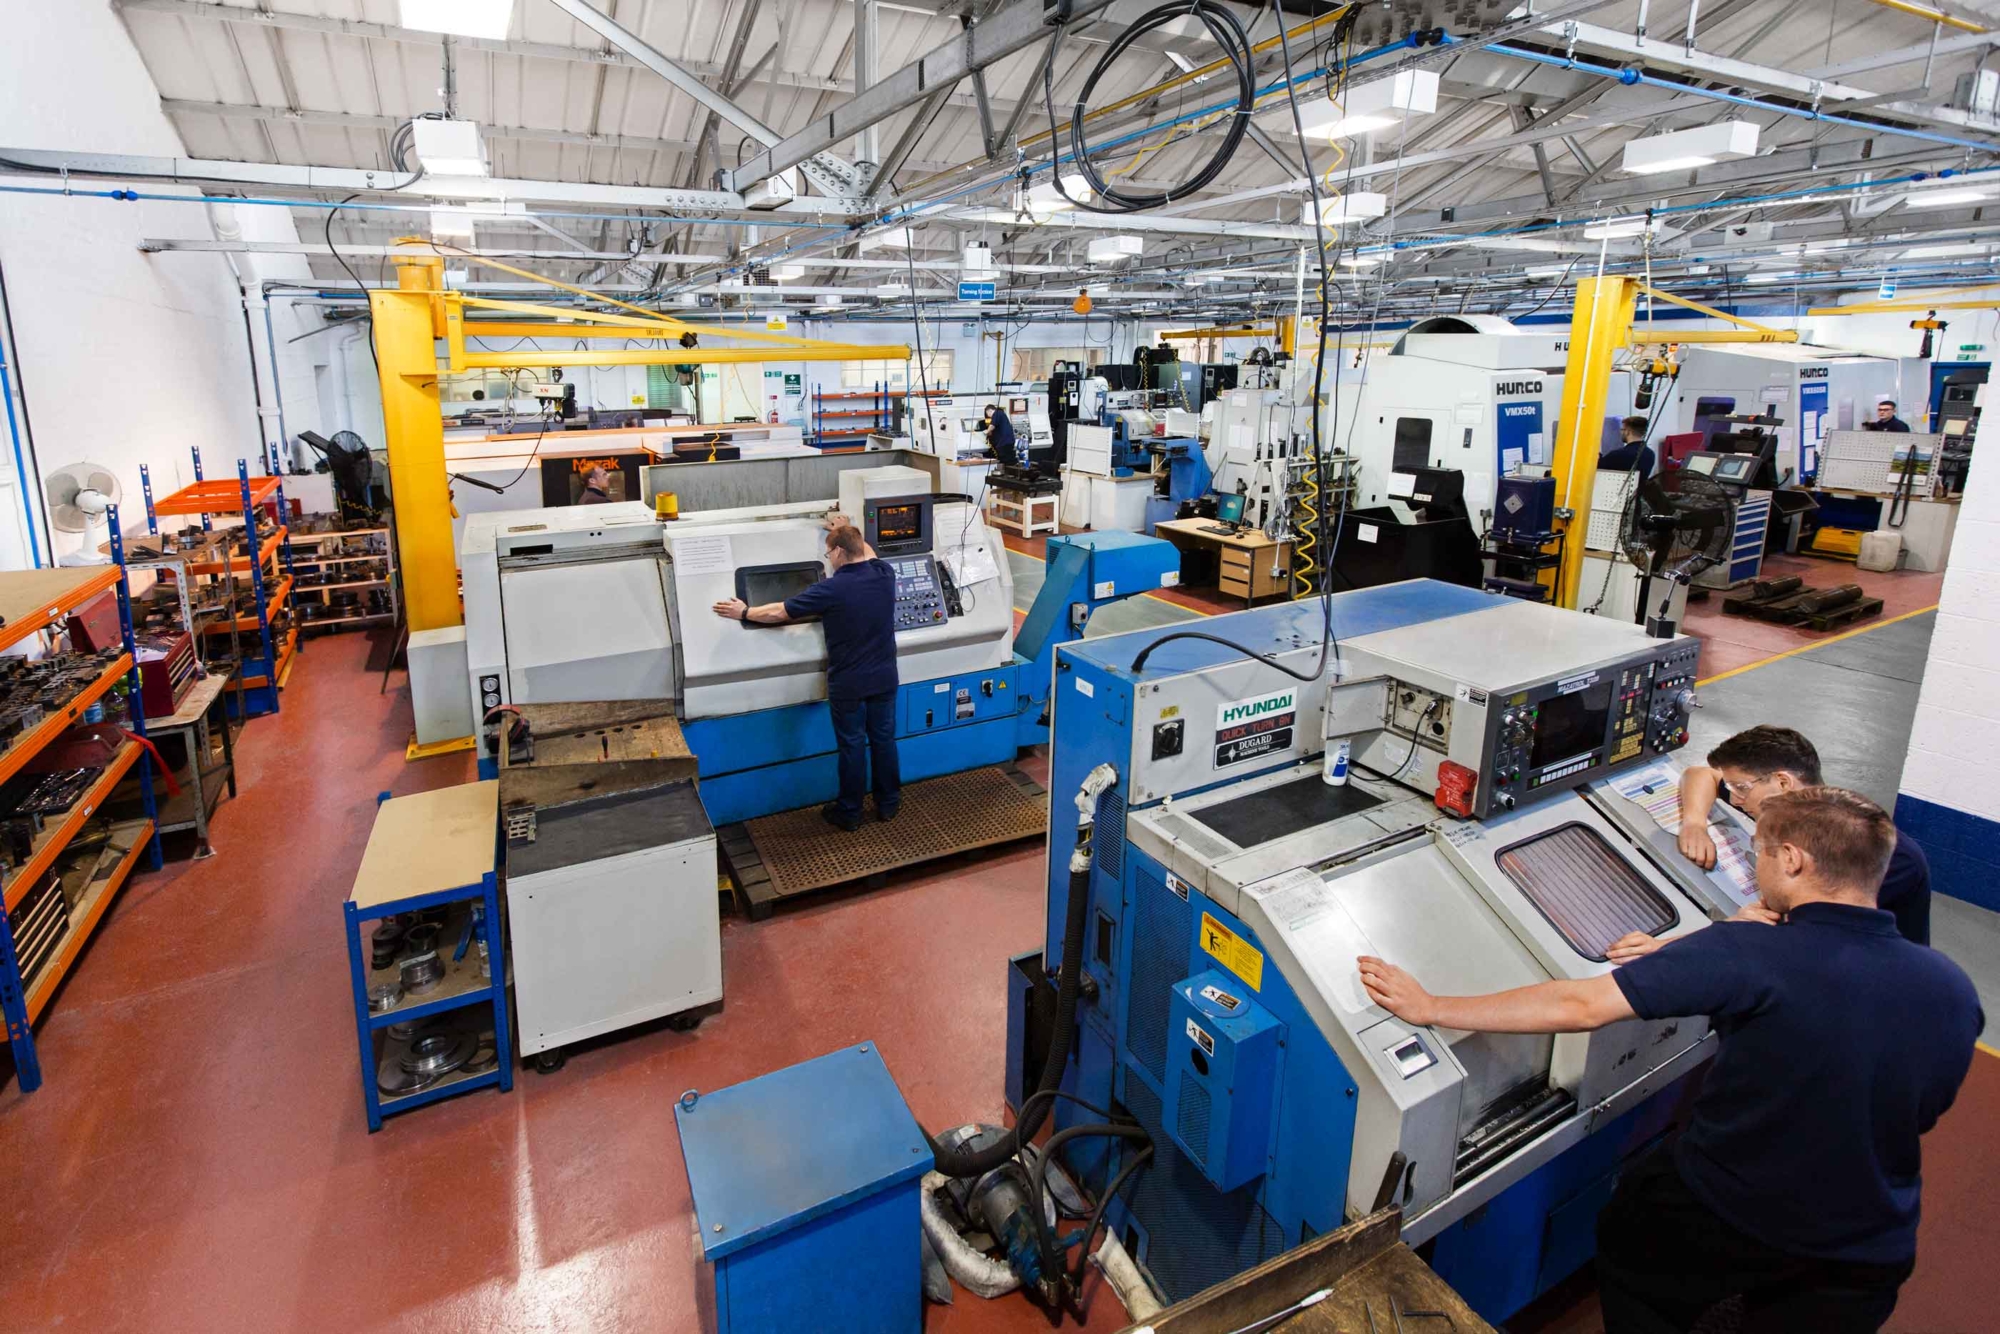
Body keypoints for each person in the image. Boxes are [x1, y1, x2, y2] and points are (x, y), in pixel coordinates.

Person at [1358, 786, 1982, 1334]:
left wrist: (1432, 1004)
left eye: (1761, 853)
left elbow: (1580, 1005)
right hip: (1867, 1246)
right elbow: (1923, 1105)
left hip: (1727, 1214)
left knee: (1634, 1250)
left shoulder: (1750, 952)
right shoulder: (1952, 988)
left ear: (1792, 860)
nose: (1757, 868)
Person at [712, 521, 900, 831]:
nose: (829, 559)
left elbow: (779, 612)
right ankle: (889, 804)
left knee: (852, 746)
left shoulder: (831, 589)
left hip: (849, 683)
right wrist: (848, 524)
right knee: (883, 740)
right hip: (885, 677)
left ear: (839, 551)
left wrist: (743, 613)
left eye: (829, 554)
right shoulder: (884, 574)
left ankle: (850, 812)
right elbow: (867, 551)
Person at [1676, 725, 1930, 944]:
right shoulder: (1786, 806)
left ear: (1783, 783)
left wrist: (1673, 945)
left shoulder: (1886, 857)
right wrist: (1695, 824)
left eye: (1741, 788)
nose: (1736, 799)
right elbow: (1700, 774)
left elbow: (1790, 933)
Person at [1599, 415, 1656, 484]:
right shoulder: (1650, 454)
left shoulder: (1618, 455)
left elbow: (1599, 468)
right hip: (1639, 493)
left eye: (1622, 429)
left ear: (1628, 432)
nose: (1621, 432)